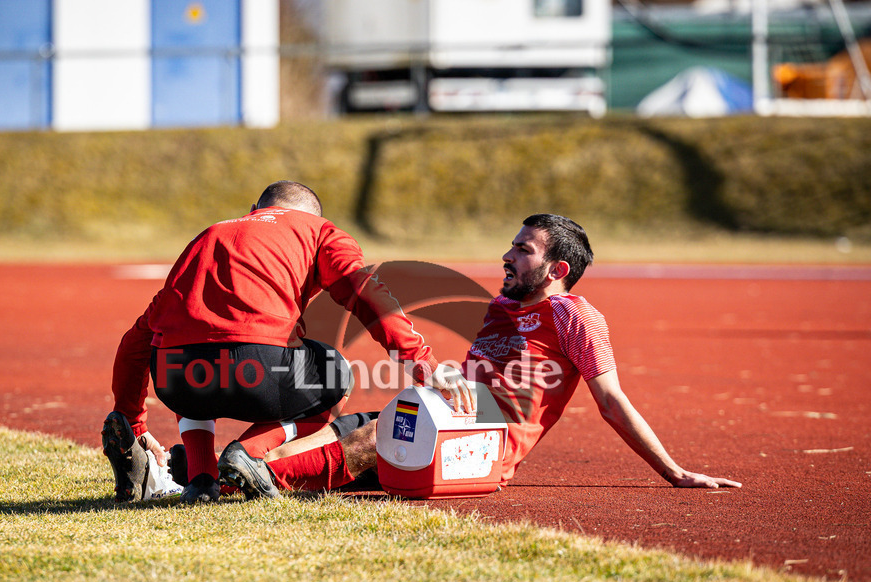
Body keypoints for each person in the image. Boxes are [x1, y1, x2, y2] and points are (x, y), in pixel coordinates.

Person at [217, 213, 742, 497]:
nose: (507, 256)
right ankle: (245, 470)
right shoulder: (500, 307)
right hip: (448, 428)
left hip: (482, 449)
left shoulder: (576, 316)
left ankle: (256, 478)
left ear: (557, 270)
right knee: (365, 418)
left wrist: (673, 472)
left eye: (524, 249)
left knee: (384, 431)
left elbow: (612, 402)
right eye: (512, 245)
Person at [102, 180, 474, 503]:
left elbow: (137, 340)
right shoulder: (320, 232)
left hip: (177, 379)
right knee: (333, 371)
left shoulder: (209, 234)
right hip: (258, 370)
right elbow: (364, 293)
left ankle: (201, 479)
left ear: (252, 211)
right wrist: (422, 363)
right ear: (316, 217)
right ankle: (249, 453)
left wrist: (133, 424)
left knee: (191, 340)